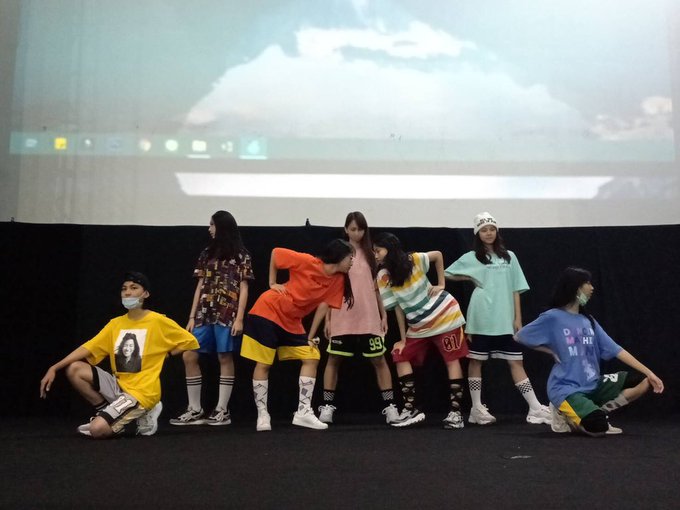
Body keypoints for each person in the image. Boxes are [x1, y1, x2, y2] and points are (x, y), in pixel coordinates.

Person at [39, 272, 199, 439]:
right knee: (74, 369)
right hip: (119, 386)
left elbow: (190, 341)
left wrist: (166, 354)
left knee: (97, 430)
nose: (128, 292)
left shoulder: (157, 321)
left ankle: (136, 412)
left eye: (134, 288)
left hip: (142, 392)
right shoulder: (115, 324)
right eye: (124, 289)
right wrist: (55, 367)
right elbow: (87, 348)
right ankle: (107, 413)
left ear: (145, 294)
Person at [515, 266, 664, 437]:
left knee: (643, 380)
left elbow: (617, 350)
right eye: (587, 283)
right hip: (565, 389)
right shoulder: (553, 317)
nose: (591, 287)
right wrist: (550, 351)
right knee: (598, 428)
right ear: (575, 287)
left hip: (593, 384)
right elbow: (520, 336)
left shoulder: (588, 321)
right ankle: (566, 413)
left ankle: (596, 412)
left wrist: (650, 373)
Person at [445, 212, 551, 426]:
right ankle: (476, 408)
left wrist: (517, 318)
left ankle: (535, 407)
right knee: (476, 360)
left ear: (497, 231)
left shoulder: (509, 256)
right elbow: (447, 273)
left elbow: (516, 288)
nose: (488, 233)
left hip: (505, 318)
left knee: (516, 361)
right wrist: (470, 277)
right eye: (484, 230)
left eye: (492, 229)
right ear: (477, 233)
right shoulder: (472, 257)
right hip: (481, 315)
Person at [241, 239, 355, 431]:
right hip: (268, 310)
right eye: (350, 258)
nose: (352, 262)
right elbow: (276, 253)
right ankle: (263, 415)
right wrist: (272, 283)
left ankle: (303, 412)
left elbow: (324, 305)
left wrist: (311, 335)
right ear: (340, 256)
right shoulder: (308, 261)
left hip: (292, 320)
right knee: (264, 363)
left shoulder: (338, 279)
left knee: (312, 356)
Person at [373, 232, 468, 429]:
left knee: (452, 360)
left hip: (445, 315)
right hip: (418, 325)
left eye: (378, 251)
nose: (375, 255)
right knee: (400, 354)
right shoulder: (383, 276)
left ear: (389, 249)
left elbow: (438, 255)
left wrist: (441, 283)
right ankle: (411, 409)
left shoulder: (413, 259)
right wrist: (402, 339)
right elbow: (397, 308)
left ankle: (456, 413)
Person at [170, 211, 254, 427]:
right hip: (204, 313)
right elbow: (200, 285)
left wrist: (239, 318)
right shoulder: (206, 253)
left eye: (212, 224)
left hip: (227, 313)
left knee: (224, 356)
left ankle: (222, 409)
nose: (209, 229)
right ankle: (194, 408)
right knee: (189, 355)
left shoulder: (241, 255)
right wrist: (192, 316)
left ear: (222, 226)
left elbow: (244, 287)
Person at [319, 212, 399, 425]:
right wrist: (327, 319)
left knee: (379, 360)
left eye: (360, 229)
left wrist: (383, 314)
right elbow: (329, 287)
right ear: (345, 229)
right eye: (353, 229)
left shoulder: (372, 254)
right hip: (341, 315)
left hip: (368, 316)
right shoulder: (339, 253)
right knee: (333, 360)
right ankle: (327, 406)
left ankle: (390, 406)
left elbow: (378, 288)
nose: (357, 233)